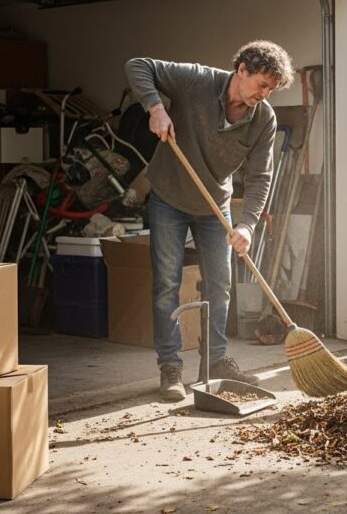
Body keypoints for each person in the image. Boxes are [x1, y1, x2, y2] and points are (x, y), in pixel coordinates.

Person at [125, 41, 294, 402]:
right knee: (167, 284)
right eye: (262, 84)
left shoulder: (263, 118)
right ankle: (170, 367)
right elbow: (138, 63)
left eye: (271, 89)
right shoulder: (196, 81)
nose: (264, 95)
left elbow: (261, 177)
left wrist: (247, 224)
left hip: (214, 205)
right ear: (242, 69)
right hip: (170, 196)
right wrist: (156, 108)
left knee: (220, 284)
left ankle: (216, 361)